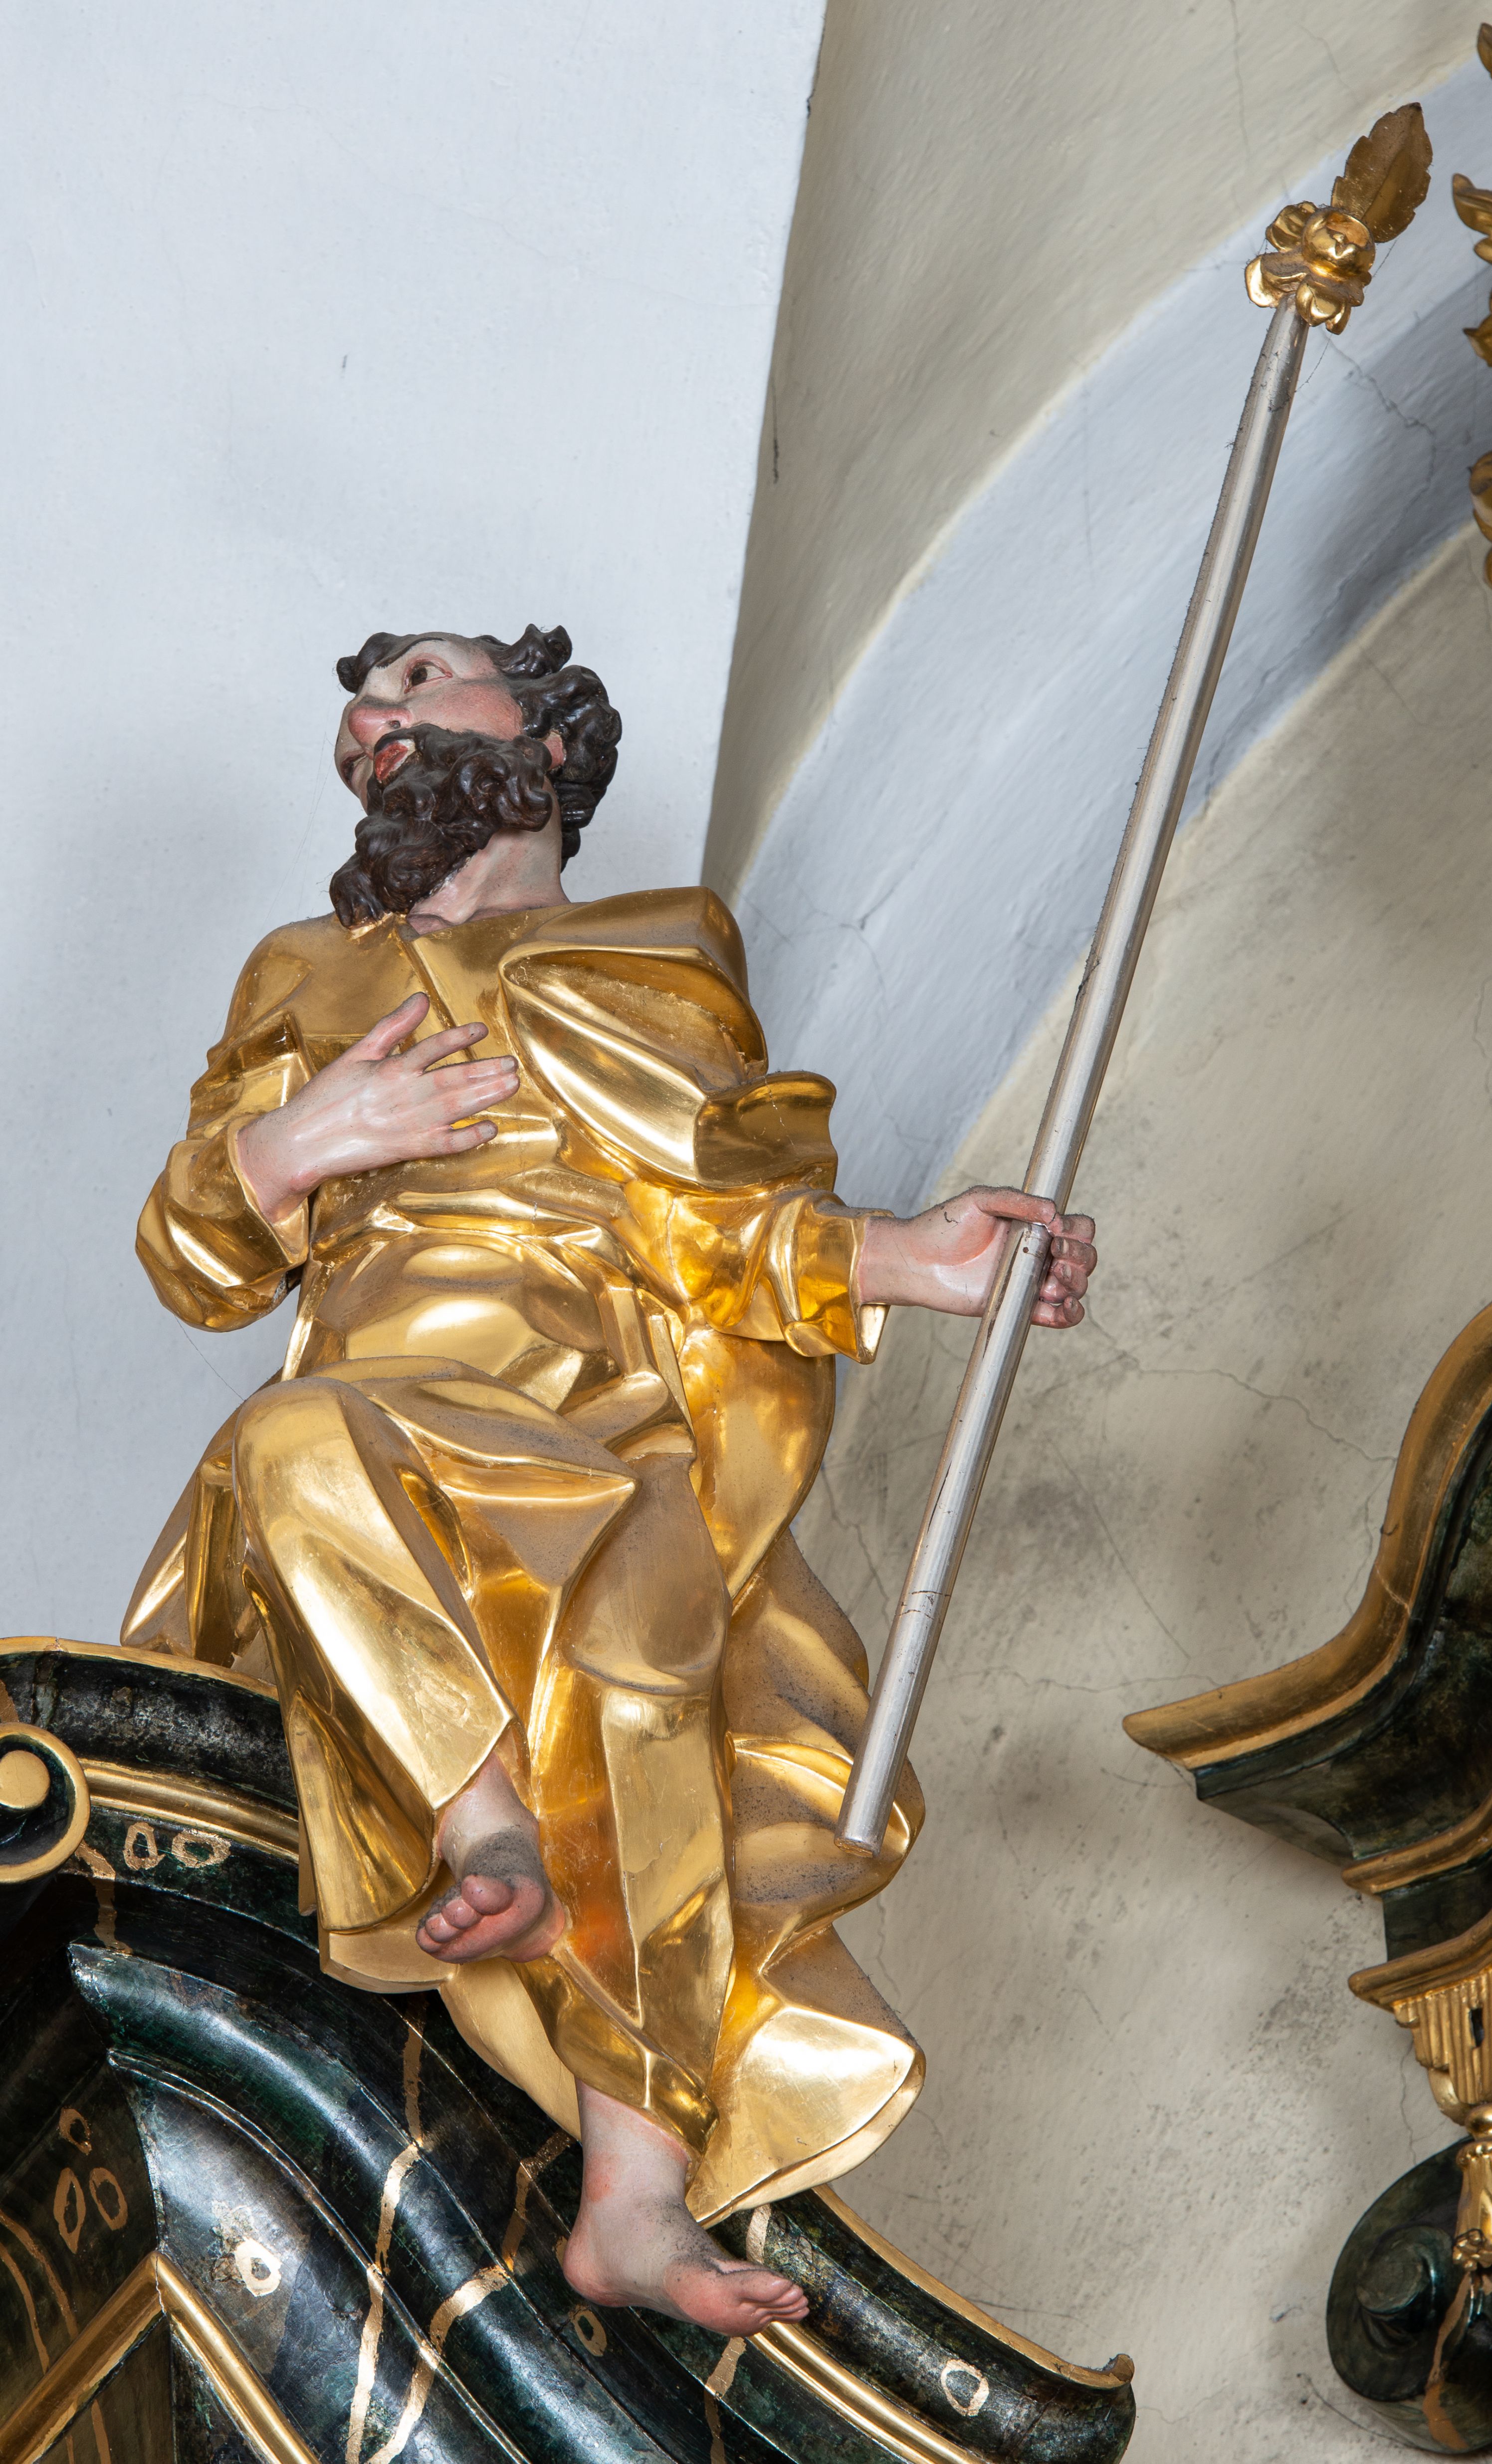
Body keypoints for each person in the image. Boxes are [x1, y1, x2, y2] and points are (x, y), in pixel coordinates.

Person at [126, 626, 1097, 2334]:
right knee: (285, 1444)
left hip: (591, 1416)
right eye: (360, 716)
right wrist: (296, 1145)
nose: (371, 723)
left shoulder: (663, 947)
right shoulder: (306, 969)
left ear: (549, 740)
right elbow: (194, 1260)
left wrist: (912, 1256)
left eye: (419, 682)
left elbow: (715, 1219)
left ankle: (632, 2196)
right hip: (379, 1416)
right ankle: (482, 1817)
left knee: (653, 1665)